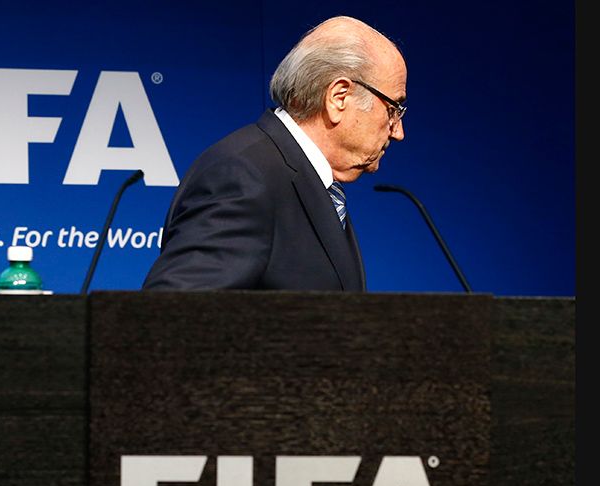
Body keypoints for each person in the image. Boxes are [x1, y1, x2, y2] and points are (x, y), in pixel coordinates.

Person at [142, 15, 407, 291]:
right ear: (339, 97)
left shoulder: (310, 182)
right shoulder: (245, 177)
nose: (398, 132)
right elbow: (170, 314)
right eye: (394, 109)